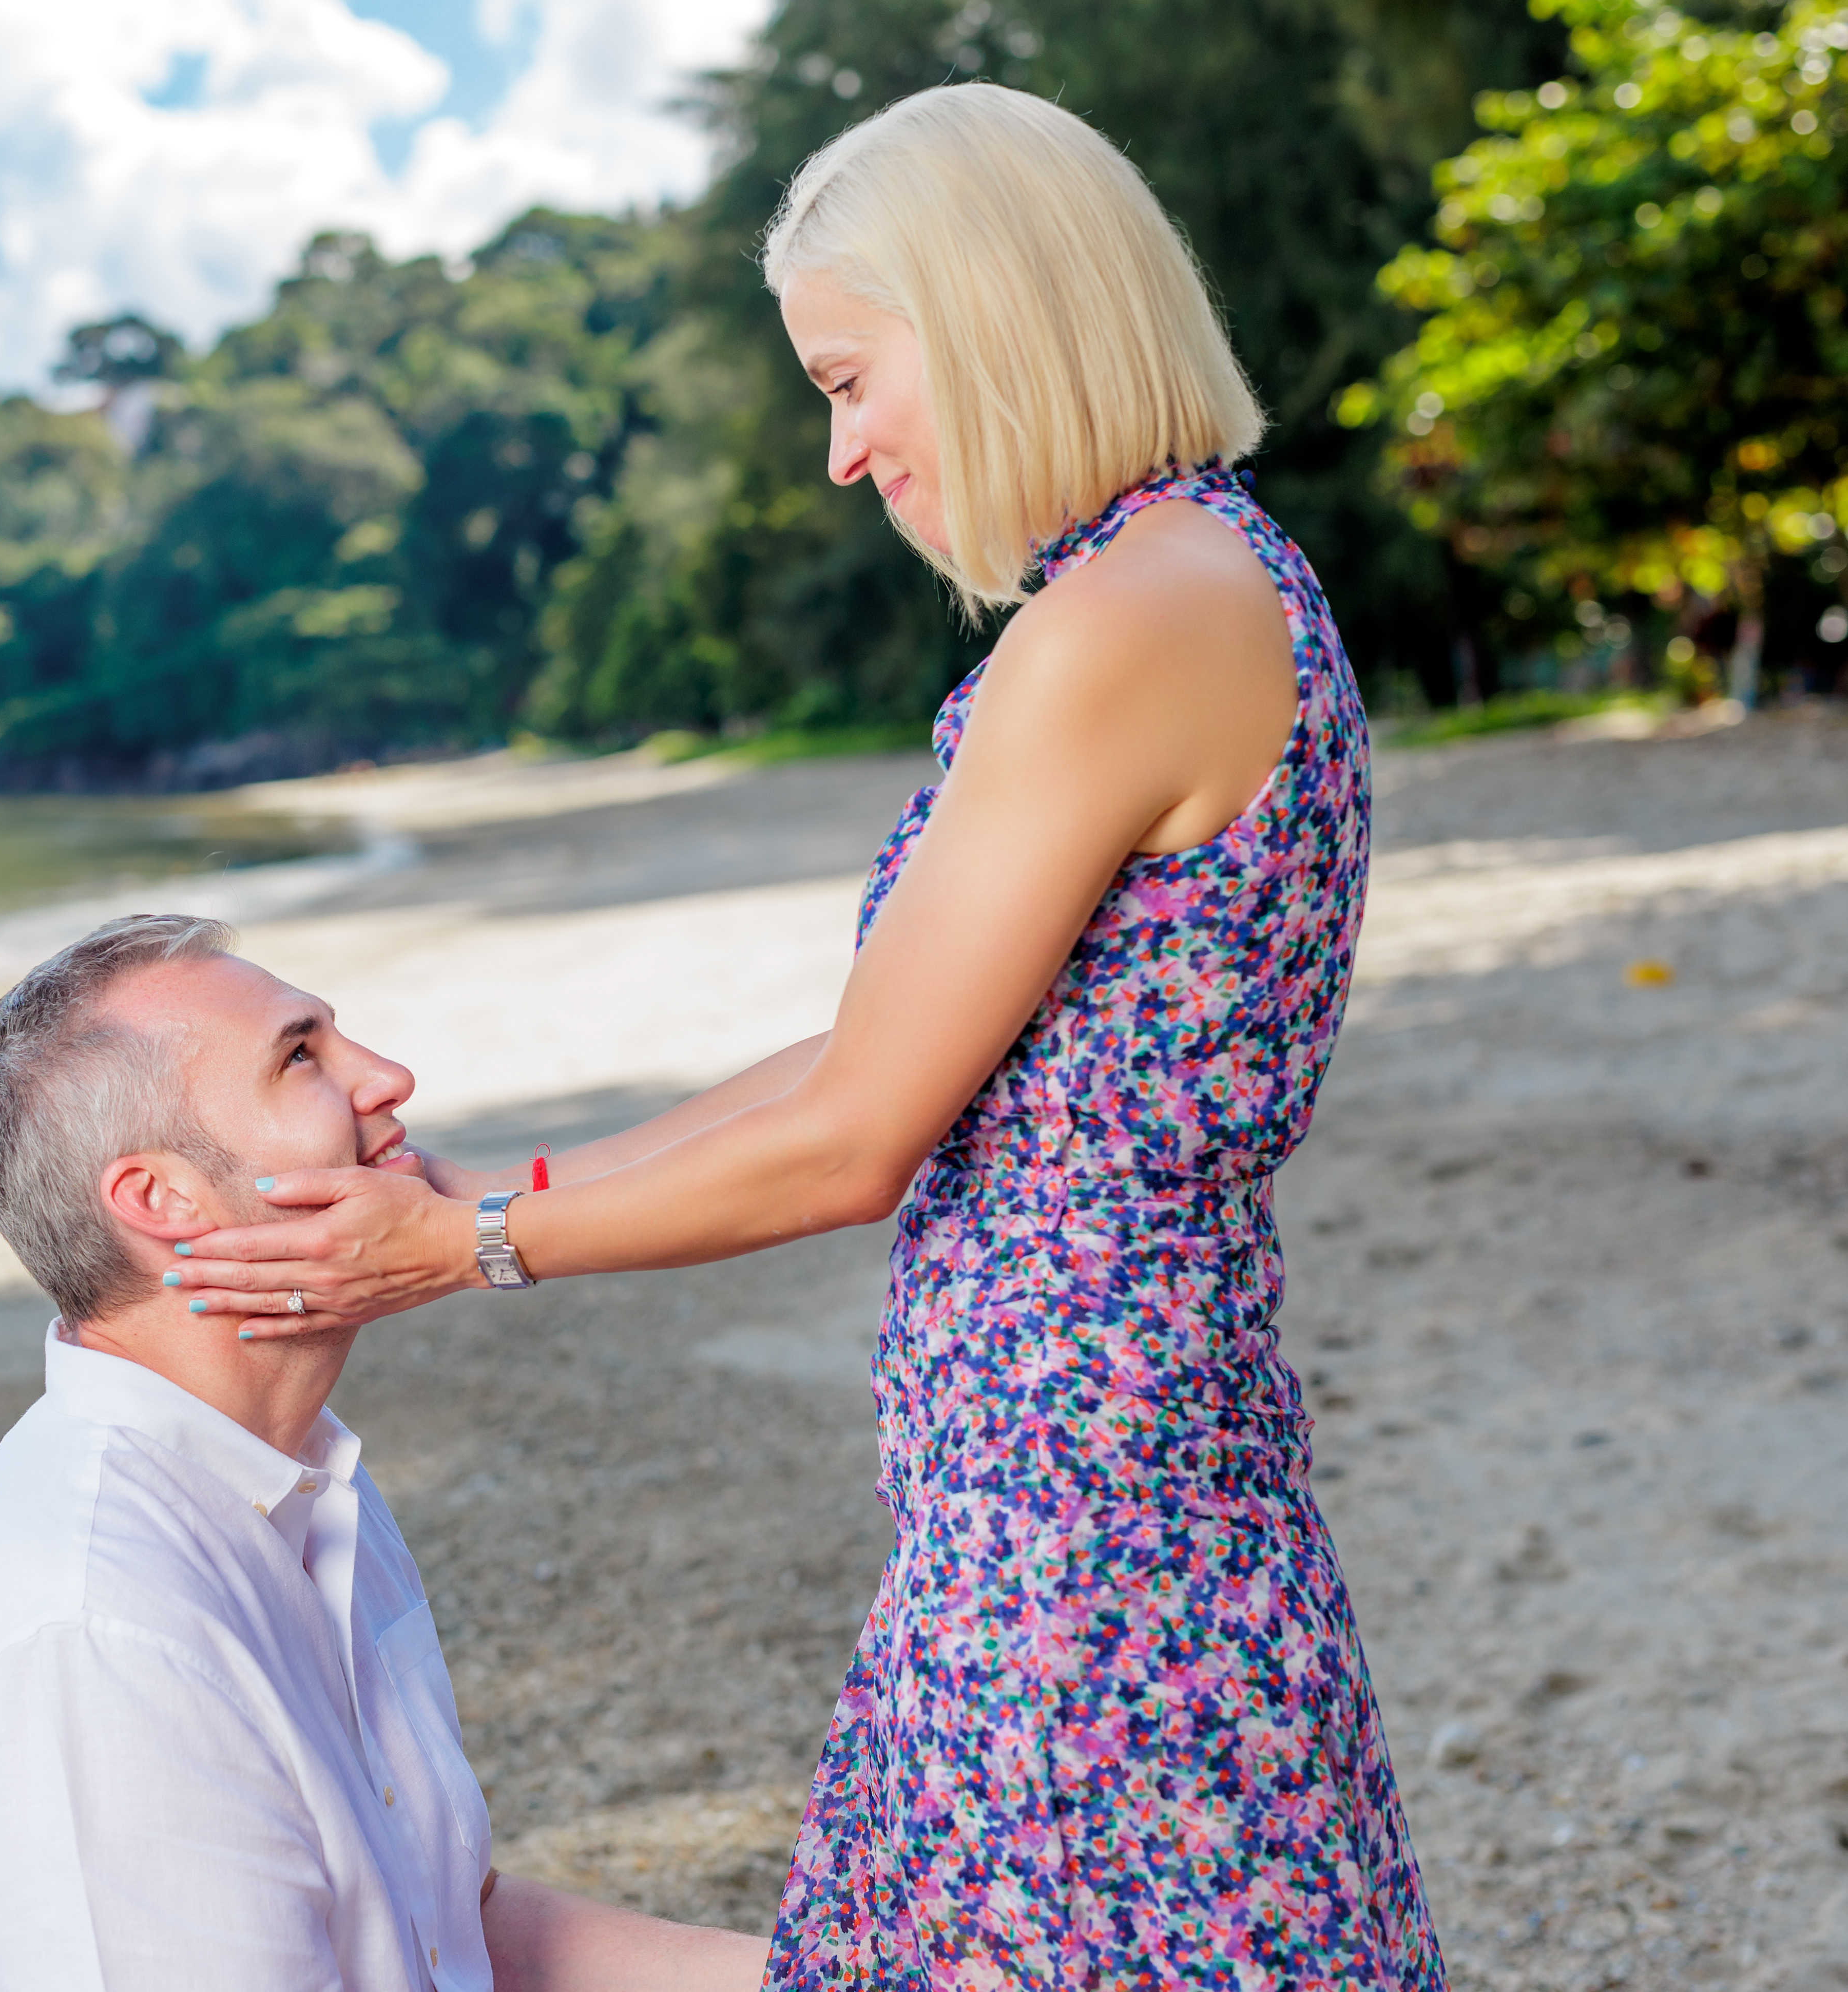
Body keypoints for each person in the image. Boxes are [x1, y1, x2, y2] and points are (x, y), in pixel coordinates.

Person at [170, 83, 1449, 1992]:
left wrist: (472, 1248)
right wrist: (501, 1186)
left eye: (851, 380)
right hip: (1092, 1446)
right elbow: (882, 1052)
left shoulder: (1123, 621)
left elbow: (859, 1134)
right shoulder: (1199, 579)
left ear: (993, 317)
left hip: (1080, 1489)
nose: (845, 455)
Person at [0, 912, 769, 1992]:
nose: (389, 1076)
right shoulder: (98, 1638)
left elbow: (445, 1923)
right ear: (163, 1200)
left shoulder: (286, 1475)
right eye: (300, 1056)